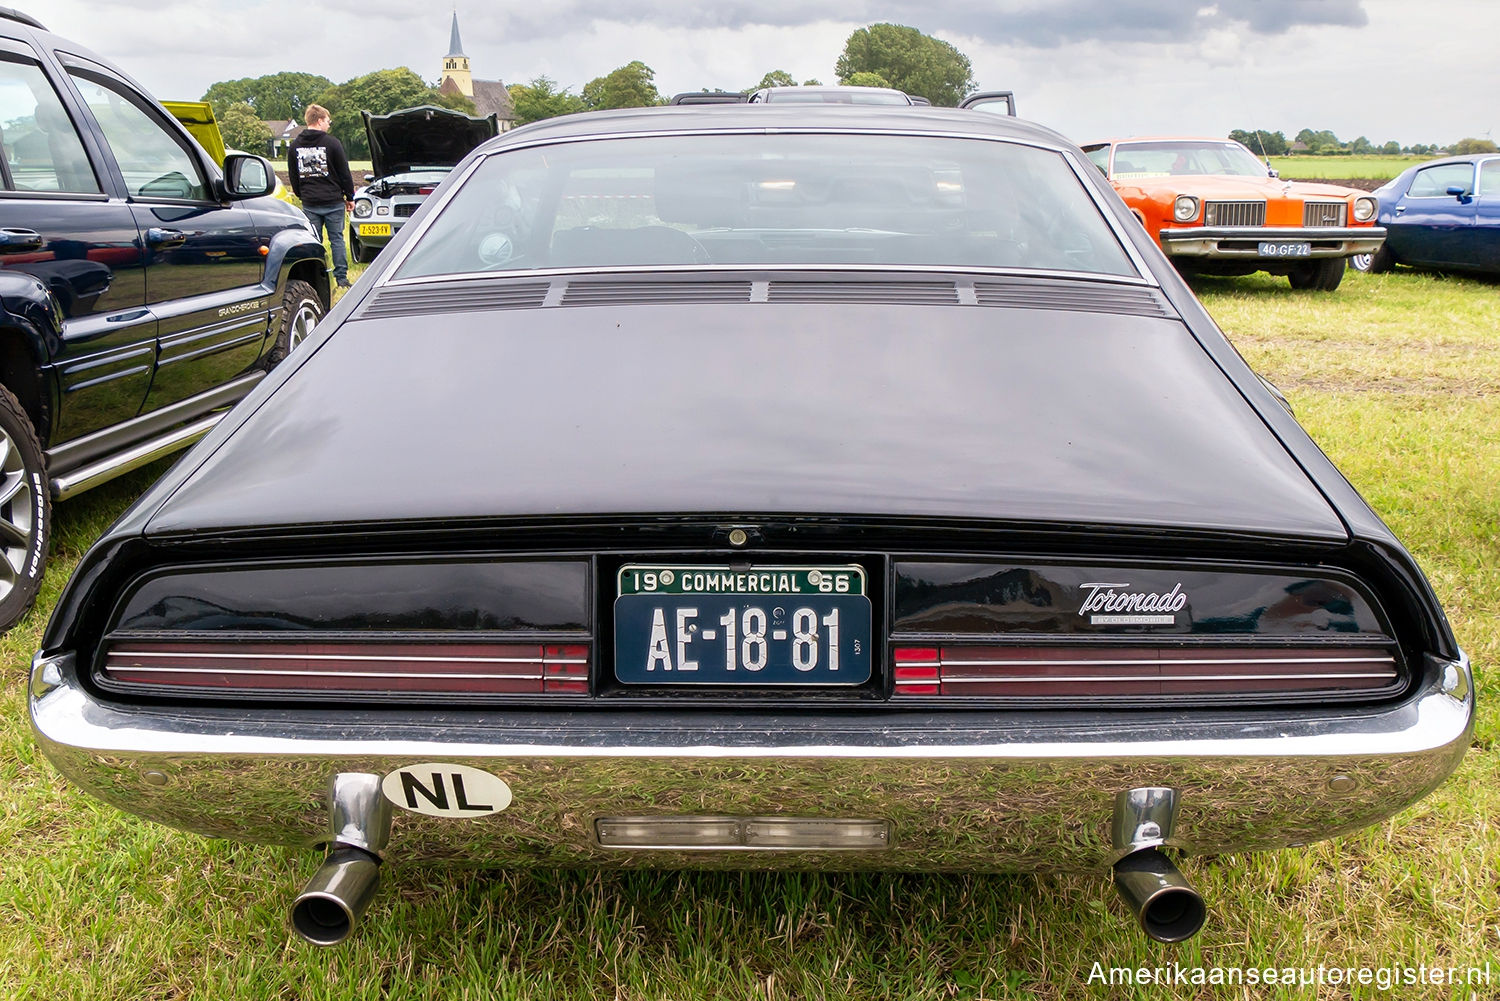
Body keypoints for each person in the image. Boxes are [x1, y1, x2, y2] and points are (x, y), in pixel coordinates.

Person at [287, 104, 355, 288]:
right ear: (319, 121)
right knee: (337, 240)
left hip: (310, 202)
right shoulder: (332, 143)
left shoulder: (295, 146)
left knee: (313, 242)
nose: (328, 125)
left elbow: (293, 175)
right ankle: (341, 279)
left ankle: (315, 278)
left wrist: (303, 195)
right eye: (327, 121)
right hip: (333, 201)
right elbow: (344, 172)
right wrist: (350, 197)